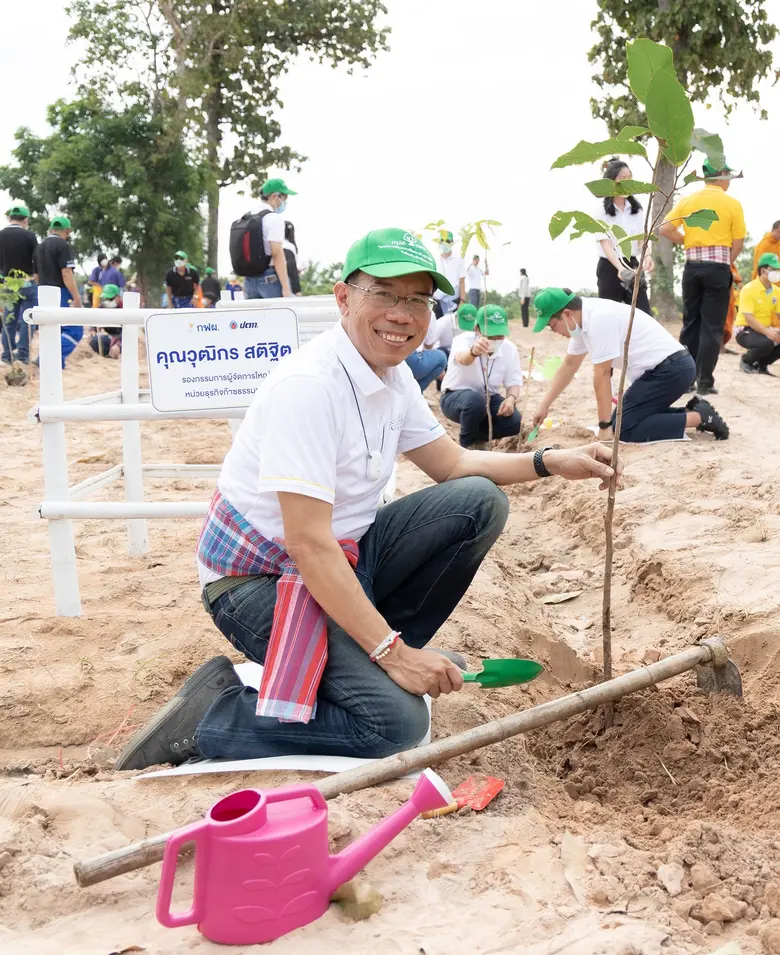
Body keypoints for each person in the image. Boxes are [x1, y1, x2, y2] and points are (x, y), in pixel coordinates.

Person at [115, 226, 619, 771]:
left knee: (477, 501)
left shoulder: (391, 375)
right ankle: (214, 717)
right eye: (384, 294)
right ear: (343, 297)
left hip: (345, 557)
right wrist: (393, 655)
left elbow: (452, 464)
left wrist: (549, 462)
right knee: (395, 726)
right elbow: (307, 544)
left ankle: (370, 658)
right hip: (257, 581)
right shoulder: (309, 388)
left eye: (418, 300)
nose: (402, 314)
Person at [531, 288, 729, 443]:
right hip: (658, 372)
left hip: (671, 370)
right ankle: (692, 411)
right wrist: (544, 405)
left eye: (551, 325)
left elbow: (601, 376)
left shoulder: (599, 318)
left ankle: (700, 418)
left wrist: (604, 426)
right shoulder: (580, 321)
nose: (553, 331)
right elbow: (569, 365)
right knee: (621, 423)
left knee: (623, 430)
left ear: (566, 314)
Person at [659, 159, 746, 395]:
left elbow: (664, 228)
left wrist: (686, 241)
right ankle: (705, 382)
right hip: (717, 268)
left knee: (691, 323)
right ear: (721, 177)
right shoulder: (732, 204)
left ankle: (686, 380)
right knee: (712, 326)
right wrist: (727, 261)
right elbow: (738, 242)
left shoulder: (689, 201)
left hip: (692, 267)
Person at [440, 304, 523, 448]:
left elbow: (514, 381)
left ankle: (479, 438)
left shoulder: (509, 349)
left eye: (500, 335)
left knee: (514, 421)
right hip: (455, 398)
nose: (496, 339)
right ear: (477, 329)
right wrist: (473, 352)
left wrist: (511, 398)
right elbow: (462, 359)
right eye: (491, 335)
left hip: (488, 398)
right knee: (474, 402)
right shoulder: (463, 340)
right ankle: (467, 445)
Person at [594, 158, 653, 315]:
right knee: (610, 315)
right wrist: (620, 268)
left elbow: (642, 239)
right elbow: (605, 243)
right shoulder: (602, 210)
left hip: (632, 265)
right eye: (622, 178)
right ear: (612, 181)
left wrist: (647, 256)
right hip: (609, 266)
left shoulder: (637, 209)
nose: (627, 182)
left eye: (630, 178)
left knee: (642, 313)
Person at [33, 215, 84, 368]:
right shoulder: (62, 246)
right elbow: (66, 273)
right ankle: (45, 359)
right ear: (67, 231)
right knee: (75, 331)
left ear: (51, 229)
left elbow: (36, 276)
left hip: (43, 293)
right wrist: (76, 297)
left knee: (54, 329)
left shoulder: (39, 247)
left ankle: (57, 364)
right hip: (61, 293)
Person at [244, 178, 296, 300]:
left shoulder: (248, 216)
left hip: (248, 280)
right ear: (274, 196)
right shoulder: (273, 218)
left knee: (256, 319)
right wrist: (286, 287)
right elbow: (277, 253)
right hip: (269, 279)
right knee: (280, 317)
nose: (284, 202)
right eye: (284, 198)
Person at [0, 202, 38, 365]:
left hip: (8, 283)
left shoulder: (0, 235)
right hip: (27, 282)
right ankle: (22, 355)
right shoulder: (29, 236)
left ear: (9, 218)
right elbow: (36, 259)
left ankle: (7, 355)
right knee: (27, 319)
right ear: (26, 220)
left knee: (9, 318)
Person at [734, 252, 780, 375]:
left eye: (778, 269)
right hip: (745, 330)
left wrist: (772, 331)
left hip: (764, 329)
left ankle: (762, 365)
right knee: (767, 343)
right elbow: (749, 319)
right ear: (763, 270)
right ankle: (746, 361)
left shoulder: (777, 291)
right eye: (774, 269)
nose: (777, 272)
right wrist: (768, 333)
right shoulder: (749, 289)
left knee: (773, 339)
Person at [404, 307, 448, 392]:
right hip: (409, 358)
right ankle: (415, 393)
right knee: (442, 357)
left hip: (393, 355)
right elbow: (429, 344)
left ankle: (412, 393)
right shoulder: (429, 312)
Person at [434, 229, 466, 316]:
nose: (444, 243)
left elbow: (462, 280)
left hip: (454, 301)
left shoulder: (459, 259)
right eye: (442, 241)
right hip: (437, 301)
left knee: (453, 327)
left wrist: (462, 301)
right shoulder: (435, 260)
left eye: (447, 241)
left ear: (452, 243)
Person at [89, 284, 123, 358]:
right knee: (95, 341)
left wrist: (118, 344)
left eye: (109, 299)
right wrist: (92, 330)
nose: (106, 301)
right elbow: (95, 321)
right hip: (110, 337)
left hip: (124, 338)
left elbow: (129, 331)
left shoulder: (124, 309)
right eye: (105, 298)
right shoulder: (102, 308)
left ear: (117, 297)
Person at [283, 221, 302, 295]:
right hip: (286, 285)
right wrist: (297, 290)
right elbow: (291, 270)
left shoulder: (275, 245)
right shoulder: (289, 246)